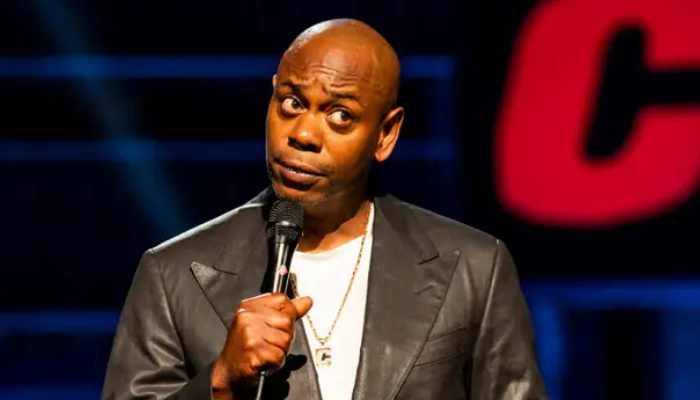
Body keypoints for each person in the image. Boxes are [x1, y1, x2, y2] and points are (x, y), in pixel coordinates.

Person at [102, 18, 547, 400]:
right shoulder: (173, 275)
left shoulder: (473, 269)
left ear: (386, 134)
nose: (303, 134)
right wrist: (219, 383)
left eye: (340, 116)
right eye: (291, 104)